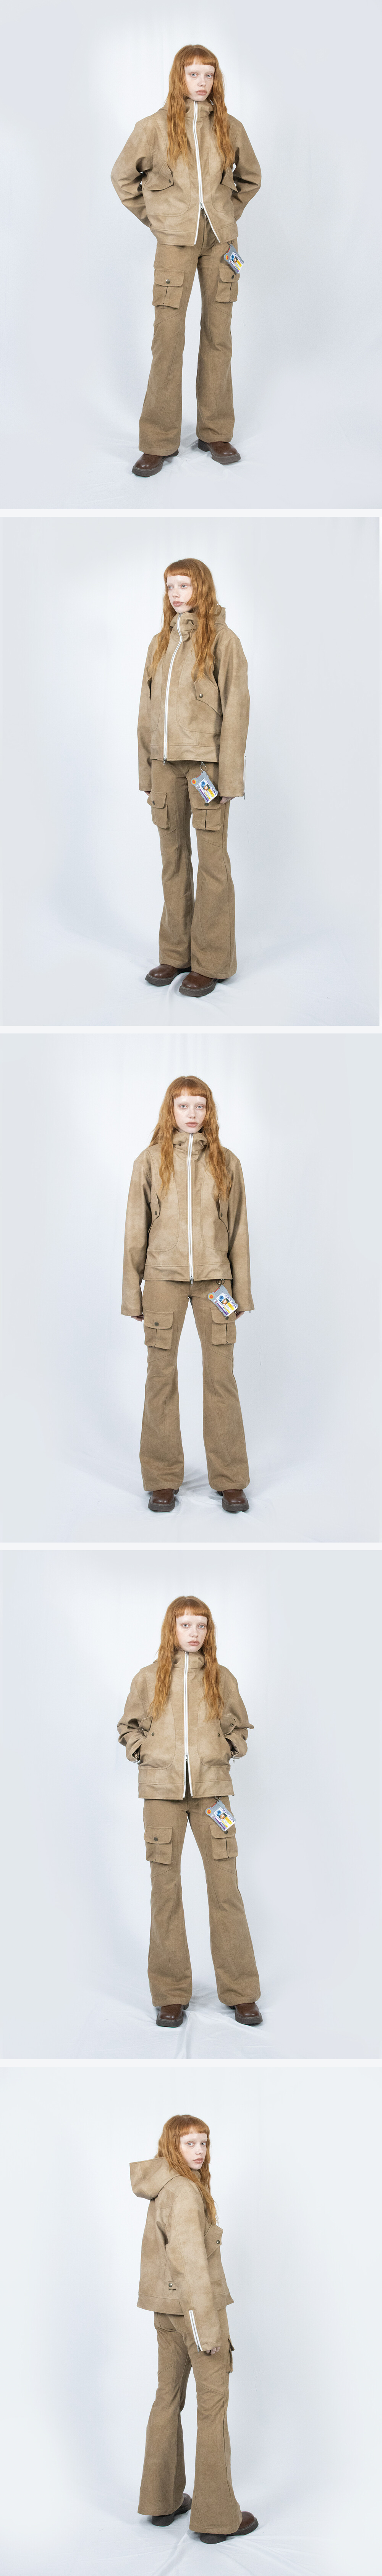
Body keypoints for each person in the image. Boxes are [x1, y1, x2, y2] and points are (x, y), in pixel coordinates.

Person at [111, 44, 261, 475]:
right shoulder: (152, 127)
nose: (202, 82)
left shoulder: (230, 127)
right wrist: (158, 220)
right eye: (194, 74)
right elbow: (123, 178)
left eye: (209, 75)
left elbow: (250, 178)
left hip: (221, 245)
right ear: (179, 77)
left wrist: (226, 215)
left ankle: (215, 432)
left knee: (219, 337)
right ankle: (158, 441)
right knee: (168, 339)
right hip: (174, 244)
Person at [119, 1593, 261, 2028]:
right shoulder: (148, 1678)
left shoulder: (222, 1677)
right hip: (160, 1794)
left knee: (225, 1889)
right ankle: (170, 1994)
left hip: (213, 1795)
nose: (194, 1632)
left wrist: (226, 1748)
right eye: (186, 1625)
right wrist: (145, 1753)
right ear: (172, 1629)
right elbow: (128, 1727)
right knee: (165, 1892)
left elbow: (240, 1727)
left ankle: (241, 1992)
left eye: (201, 1625)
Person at [121, 1074, 253, 1514]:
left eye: (200, 1105)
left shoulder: (227, 1162)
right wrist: (133, 1294)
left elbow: (238, 1231)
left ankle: (230, 1480)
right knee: (160, 1377)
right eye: (184, 1106)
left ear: (209, 1111)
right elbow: (135, 1231)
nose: (192, 1113)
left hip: (216, 1284)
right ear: (171, 1110)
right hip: (163, 1281)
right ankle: (162, 1479)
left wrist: (240, 1293)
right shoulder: (149, 1160)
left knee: (221, 1378)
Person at [131, 2112, 258, 2540]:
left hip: (166, 2312)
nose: (200, 2150)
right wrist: (207, 2331)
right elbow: (189, 2265)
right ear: (173, 2145)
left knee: (167, 2399)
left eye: (204, 2141)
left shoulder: (163, 2186)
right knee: (212, 2407)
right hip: (196, 2313)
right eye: (190, 2143)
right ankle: (217, 2519)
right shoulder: (185, 2191)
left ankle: (161, 2501)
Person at [139, 556, 249, 996]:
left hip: (206, 769)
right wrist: (147, 771)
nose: (176, 594)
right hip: (164, 768)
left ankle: (212, 961)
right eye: (170, 587)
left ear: (201, 587)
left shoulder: (224, 640)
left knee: (212, 864)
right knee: (172, 860)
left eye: (184, 585)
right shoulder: (159, 643)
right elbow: (146, 711)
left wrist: (230, 780)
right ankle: (176, 953)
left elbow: (237, 712)